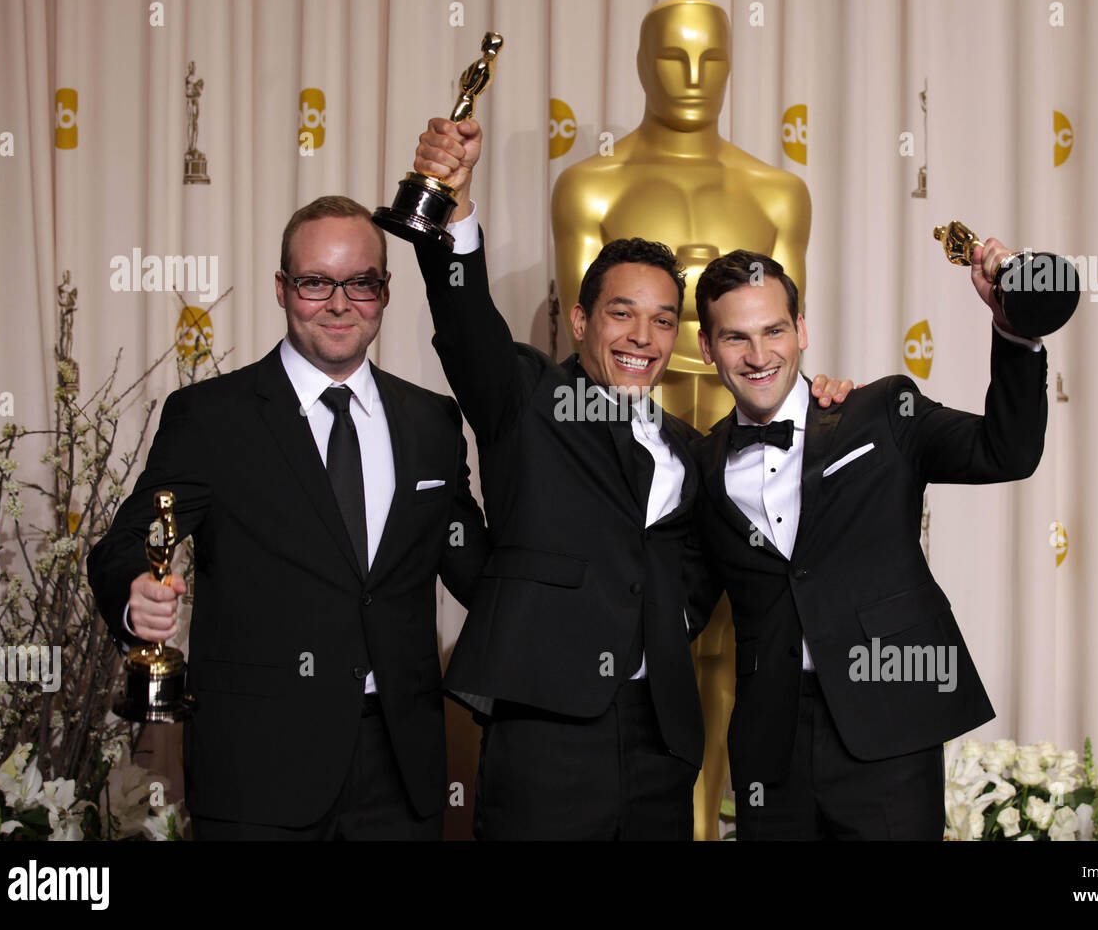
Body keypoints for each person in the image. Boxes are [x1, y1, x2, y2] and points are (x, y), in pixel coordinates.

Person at [409, 117, 847, 840]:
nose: (643, 338)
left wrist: (669, 621)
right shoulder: (526, 396)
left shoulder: (692, 447)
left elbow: (706, 560)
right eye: (622, 314)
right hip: (547, 730)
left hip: (663, 740)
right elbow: (465, 322)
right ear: (580, 320)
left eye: (663, 320)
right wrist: (452, 209)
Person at [87, 195, 489, 839]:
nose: (339, 303)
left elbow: (479, 572)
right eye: (314, 282)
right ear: (282, 289)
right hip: (257, 772)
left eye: (360, 282)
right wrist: (136, 594)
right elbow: (128, 540)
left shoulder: (432, 421)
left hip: (403, 774)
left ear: (384, 292)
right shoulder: (212, 417)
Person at [689, 245, 1048, 839]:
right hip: (770, 745)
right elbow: (683, 596)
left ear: (801, 330)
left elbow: (1005, 451)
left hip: (889, 719)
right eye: (735, 338)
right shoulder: (700, 464)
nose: (758, 356)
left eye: (774, 330)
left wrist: (1015, 334)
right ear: (706, 349)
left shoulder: (881, 411)